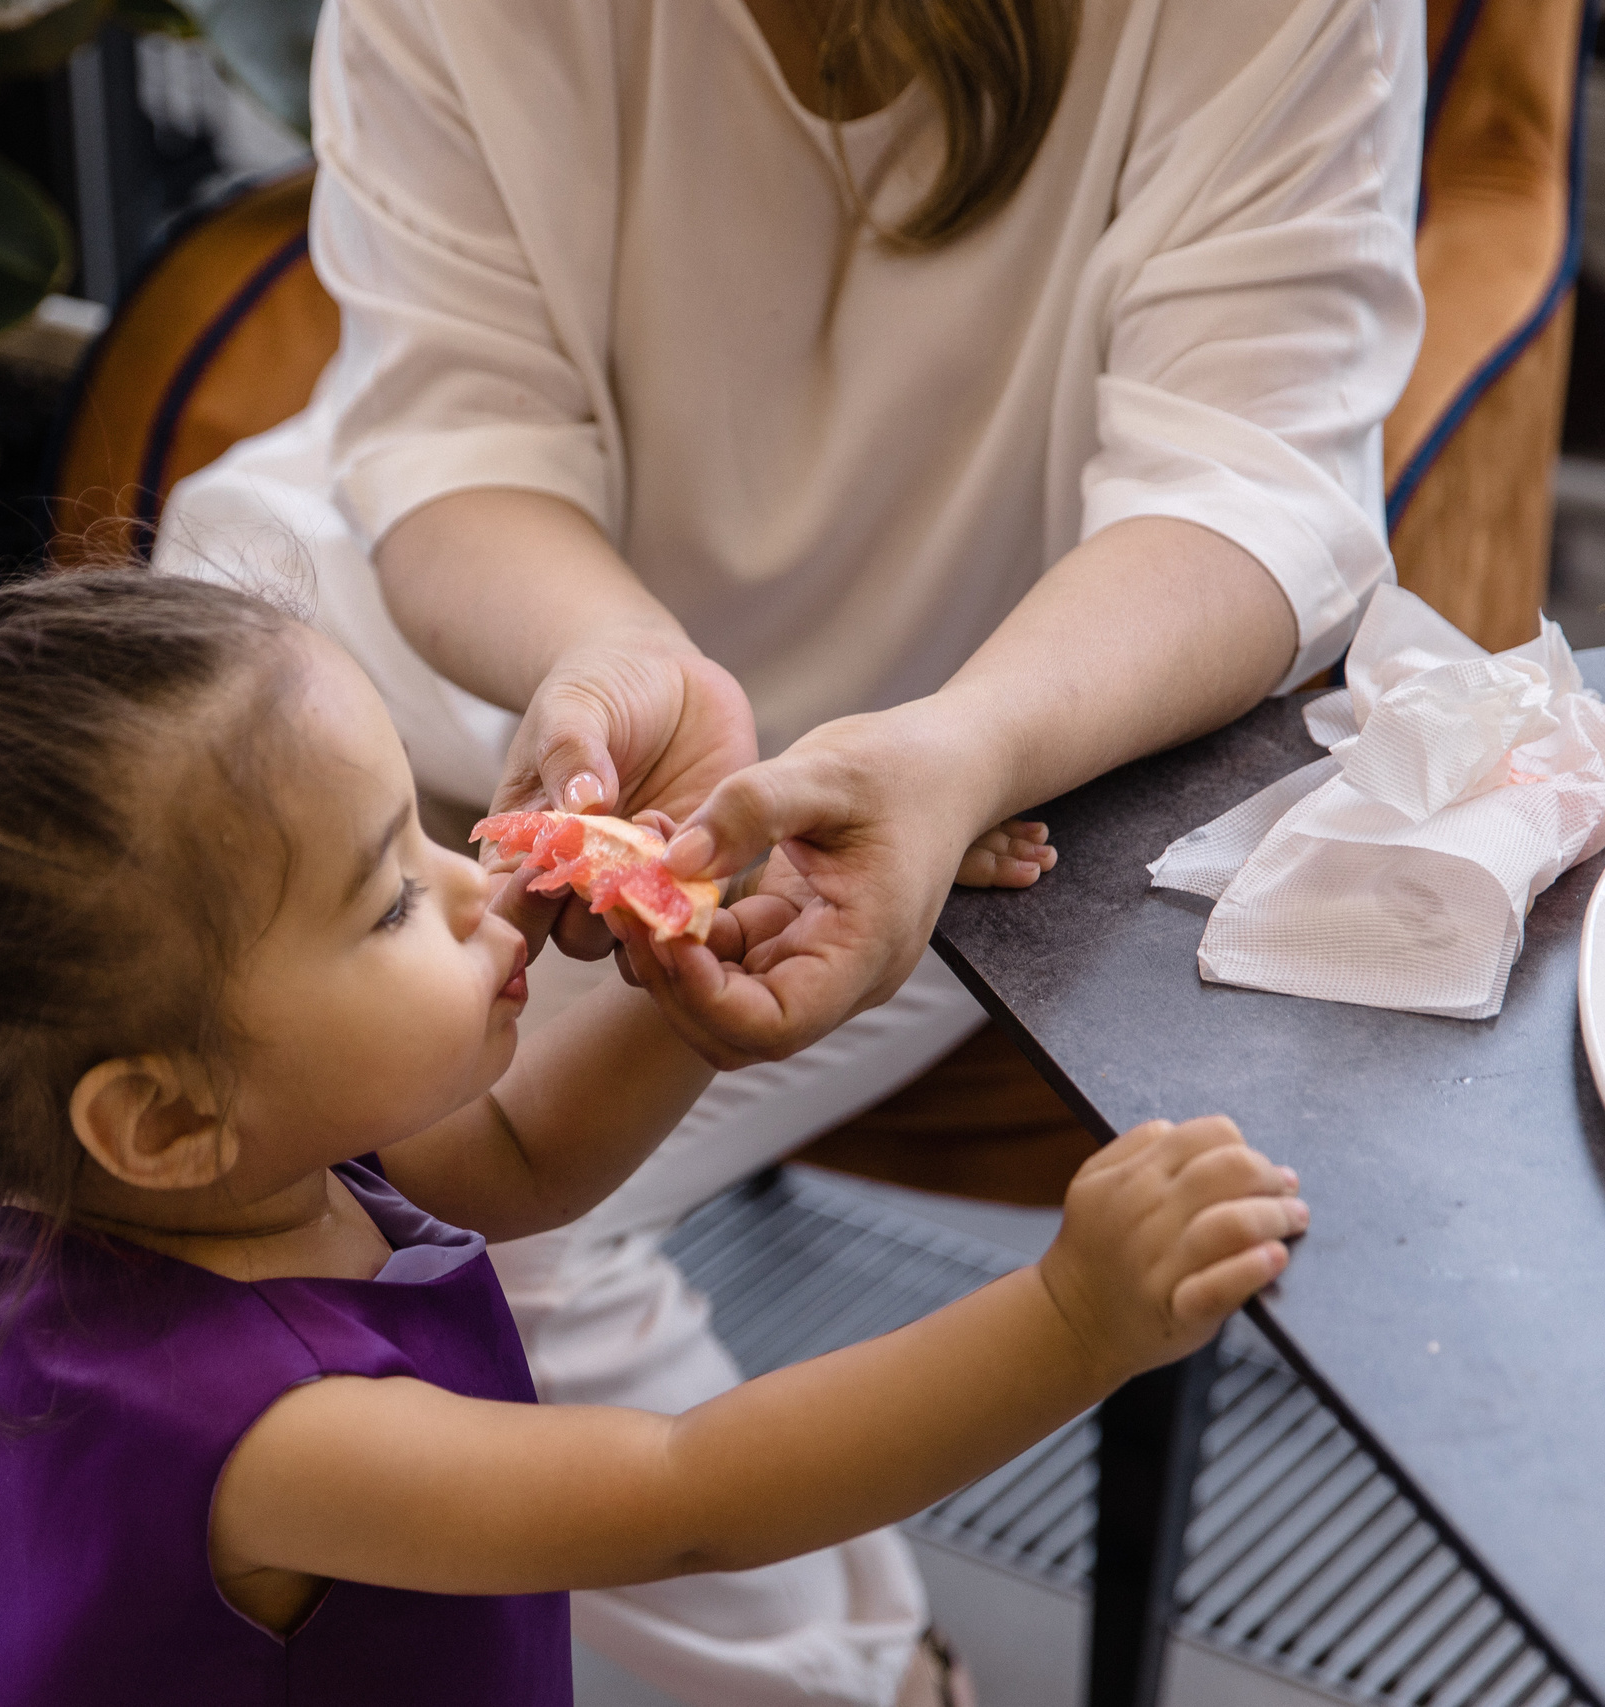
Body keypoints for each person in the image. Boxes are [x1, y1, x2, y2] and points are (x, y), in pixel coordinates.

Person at [156, 0, 1424, 1691]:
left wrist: (959, 753)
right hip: (430, 660)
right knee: (415, 1244)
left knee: (430, 1238)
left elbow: (1257, 476)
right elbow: (459, 425)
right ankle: (871, 1671)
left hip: (998, 750)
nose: (492, 896)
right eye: (410, 893)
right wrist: (626, 665)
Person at [0, 530, 1309, 1706]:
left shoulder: (204, 1166)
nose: (473, 875)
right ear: (159, 1114)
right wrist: (1070, 1322)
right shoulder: (271, 1438)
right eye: (385, 902)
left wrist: (708, 974)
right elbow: (683, 1492)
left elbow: (515, 1165)